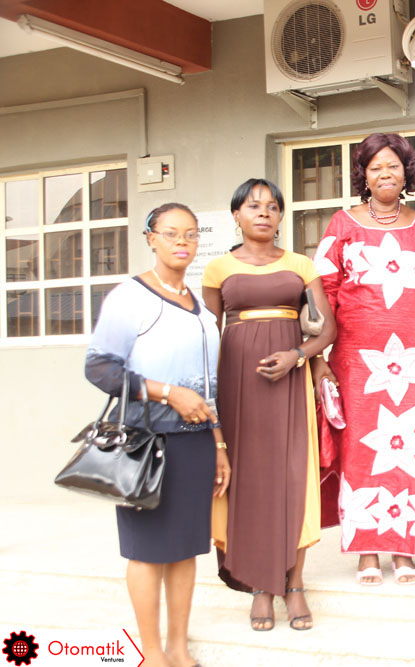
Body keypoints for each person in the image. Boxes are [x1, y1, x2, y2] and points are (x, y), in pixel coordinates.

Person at [85, 203, 230, 667]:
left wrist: (218, 442)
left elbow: (209, 385)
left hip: (196, 441)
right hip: (146, 443)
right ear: (150, 238)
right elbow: (99, 368)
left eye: (191, 233)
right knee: (148, 552)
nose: (182, 242)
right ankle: (151, 652)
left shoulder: (200, 308)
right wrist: (168, 393)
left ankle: (178, 647)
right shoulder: (129, 298)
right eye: (171, 233)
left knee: (185, 549)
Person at [202, 178, 335, 631]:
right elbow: (208, 332)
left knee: (293, 478)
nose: (264, 212)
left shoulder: (300, 264)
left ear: (280, 216)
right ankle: (261, 585)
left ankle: (294, 584)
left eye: (273, 206)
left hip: (290, 380)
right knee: (249, 481)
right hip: (236, 383)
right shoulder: (217, 268)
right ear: (236, 215)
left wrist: (298, 356)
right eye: (253, 205)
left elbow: (326, 329)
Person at [312, 133, 415, 586]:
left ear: (406, 173)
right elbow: (322, 290)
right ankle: (366, 551)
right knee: (363, 447)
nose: (385, 174)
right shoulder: (342, 224)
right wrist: (319, 355)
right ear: (363, 174)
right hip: (358, 360)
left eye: (393, 166)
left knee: (409, 449)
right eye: (376, 167)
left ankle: (404, 551)